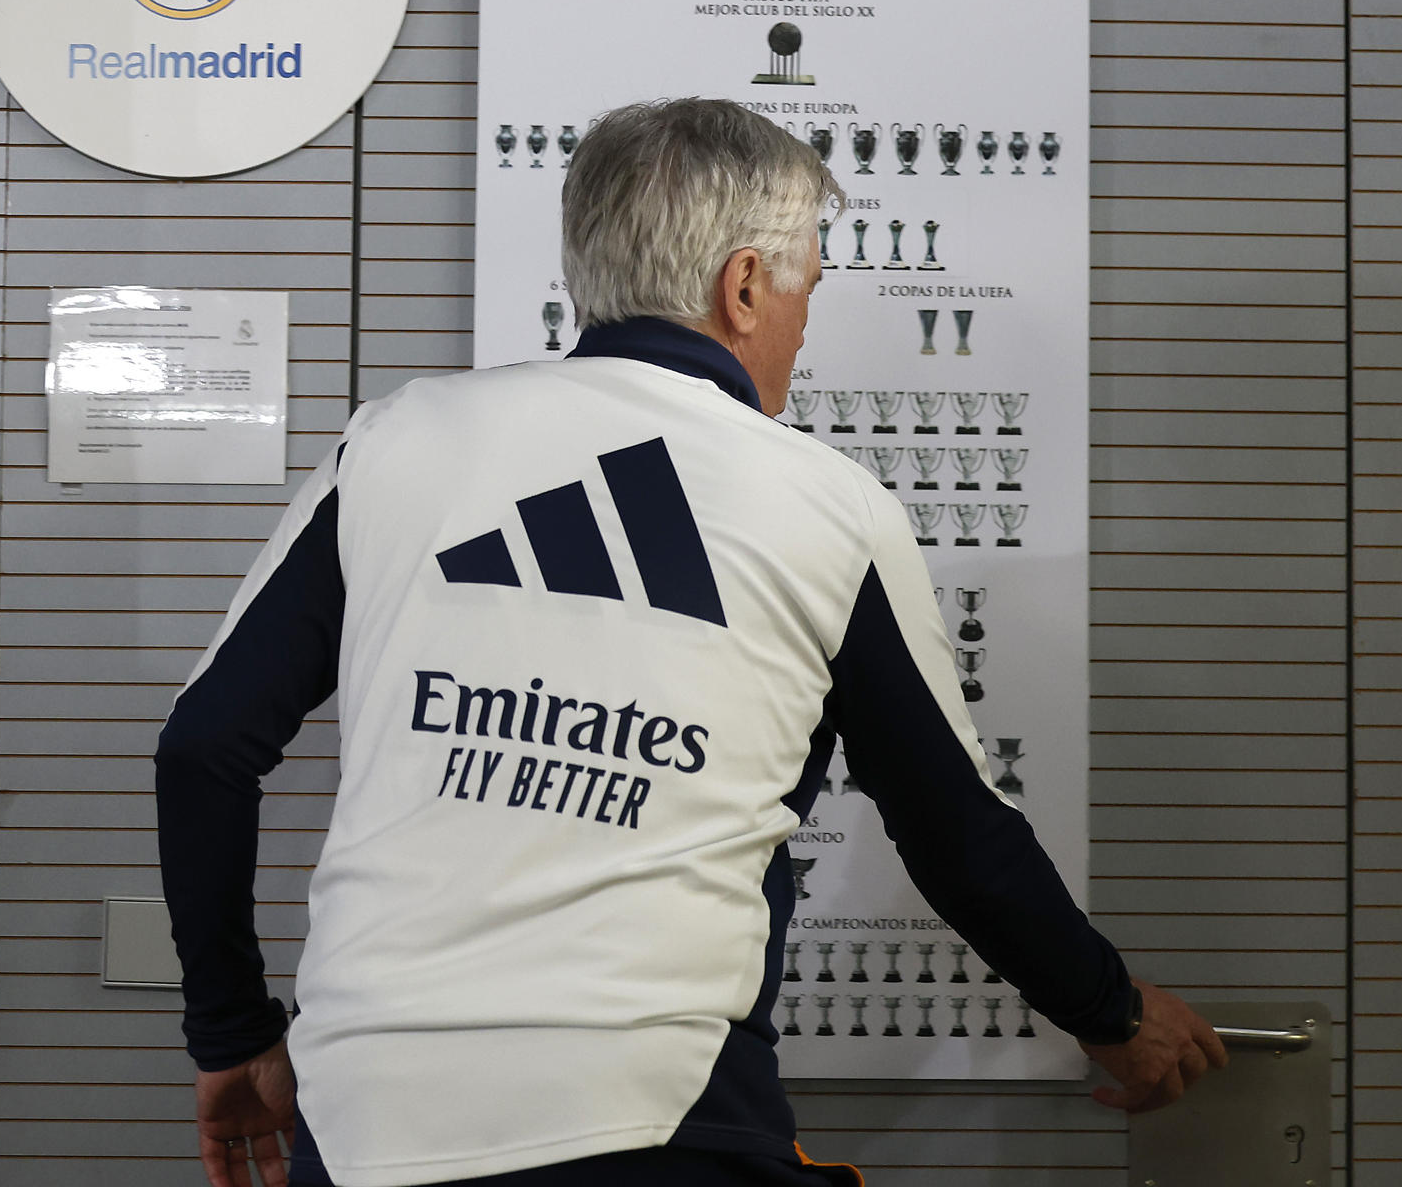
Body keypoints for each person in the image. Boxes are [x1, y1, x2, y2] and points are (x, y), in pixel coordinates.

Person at [155, 97, 1227, 1187]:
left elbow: (203, 748)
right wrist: (1114, 1013)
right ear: (748, 285)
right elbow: (956, 831)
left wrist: (232, 1032)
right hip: (653, 1115)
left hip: (364, 1119)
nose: (806, 323)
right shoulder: (828, 506)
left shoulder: (394, 438)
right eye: (809, 286)